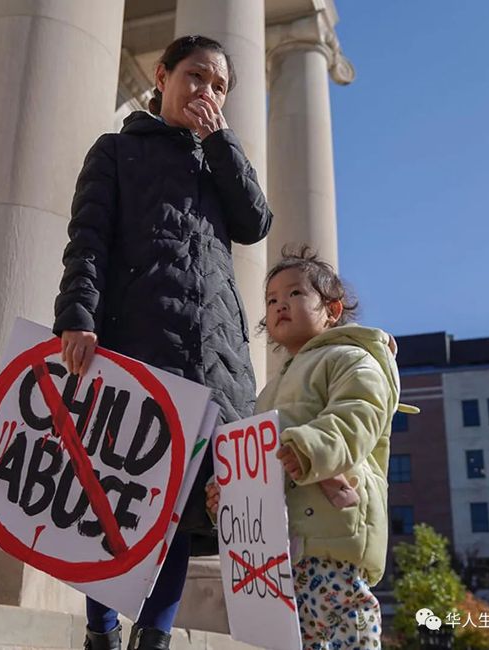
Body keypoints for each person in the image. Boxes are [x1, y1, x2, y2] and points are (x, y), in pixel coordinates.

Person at [53, 35, 273, 650]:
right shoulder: (117, 150)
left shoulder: (217, 160)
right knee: (109, 498)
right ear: (163, 75)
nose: (206, 92)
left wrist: (223, 143)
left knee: (178, 508)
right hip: (133, 346)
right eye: (196, 76)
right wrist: (78, 314)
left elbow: (255, 222)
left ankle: (155, 634)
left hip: (210, 361)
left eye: (219, 86)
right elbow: (88, 238)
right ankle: (100, 630)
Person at [207, 246, 416, 650]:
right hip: (279, 555)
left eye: (295, 294)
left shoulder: (352, 358)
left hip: (332, 537)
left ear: (333, 310)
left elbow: (360, 415)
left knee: (344, 630)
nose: (280, 304)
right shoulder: (268, 393)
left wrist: (309, 446)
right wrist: (229, 495)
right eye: (271, 300)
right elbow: (257, 461)